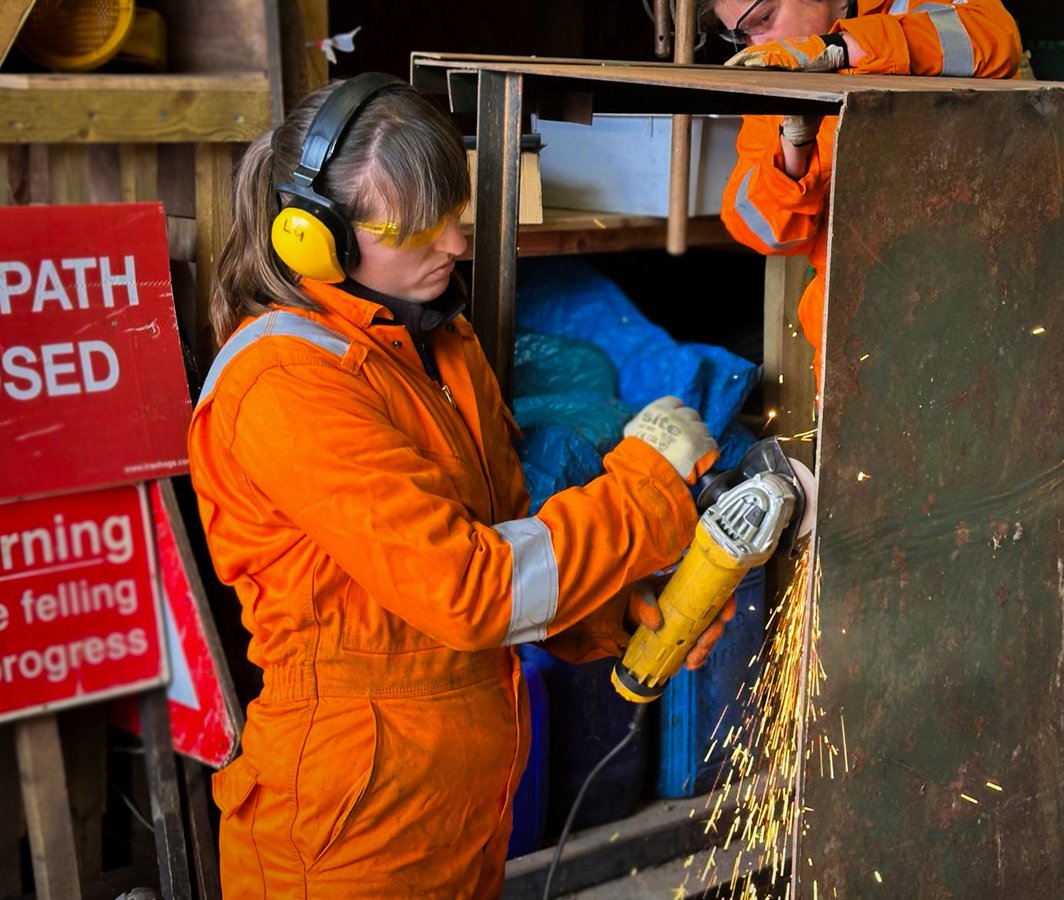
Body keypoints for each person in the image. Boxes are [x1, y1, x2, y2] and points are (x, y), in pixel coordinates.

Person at [188, 73, 731, 898]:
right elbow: (468, 590)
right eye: (416, 229)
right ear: (313, 238)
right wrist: (647, 491)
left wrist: (612, 613)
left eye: (452, 214)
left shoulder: (438, 346)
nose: (453, 245)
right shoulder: (283, 387)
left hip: (457, 806)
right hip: (347, 832)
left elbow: (509, 550)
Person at [708, 0, 1023, 392]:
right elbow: (768, 232)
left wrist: (841, 48)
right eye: (741, 34)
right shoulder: (775, 72)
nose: (757, 42)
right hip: (857, 333)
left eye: (765, 19)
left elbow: (996, 38)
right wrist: (794, 150)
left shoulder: (910, 6)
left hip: (980, 299)